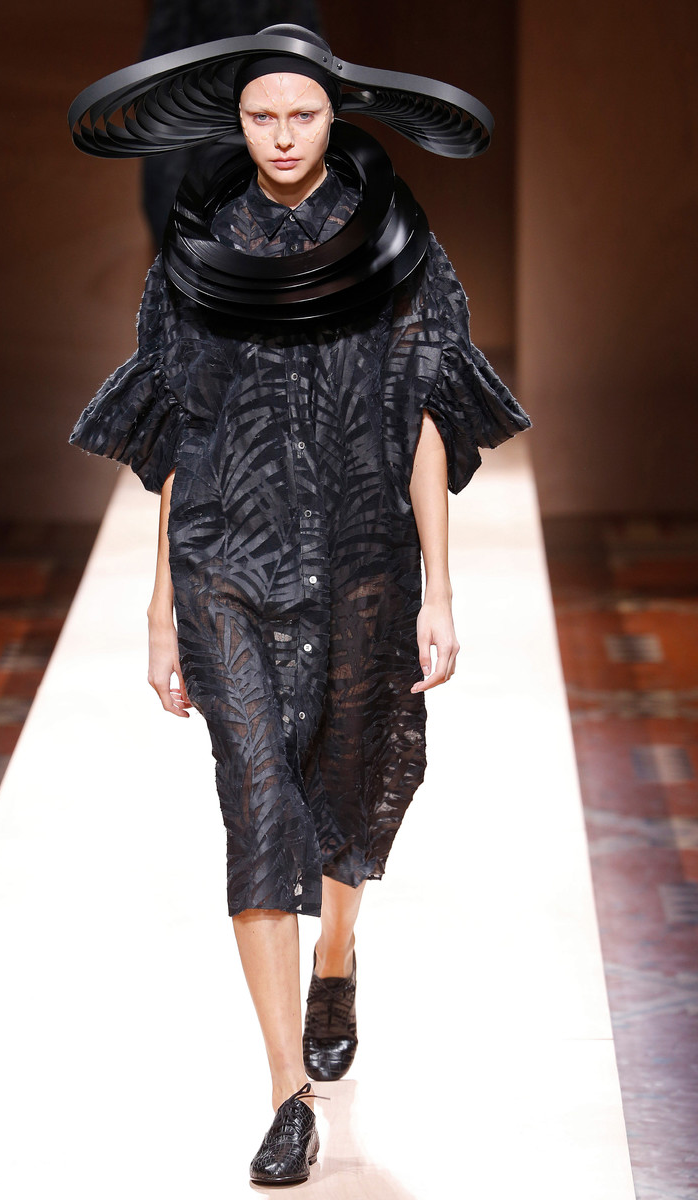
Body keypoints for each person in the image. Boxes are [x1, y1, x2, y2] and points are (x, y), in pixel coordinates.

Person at [67, 24, 532, 1186]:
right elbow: (176, 430)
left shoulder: (397, 243)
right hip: (225, 555)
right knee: (257, 807)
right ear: (234, 121)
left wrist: (438, 585)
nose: (280, 137)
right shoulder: (193, 249)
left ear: (336, 116)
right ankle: (285, 1098)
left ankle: (336, 956)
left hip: (361, 552)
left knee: (347, 781)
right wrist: (160, 605)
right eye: (260, 116)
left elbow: (426, 413)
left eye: (302, 116)